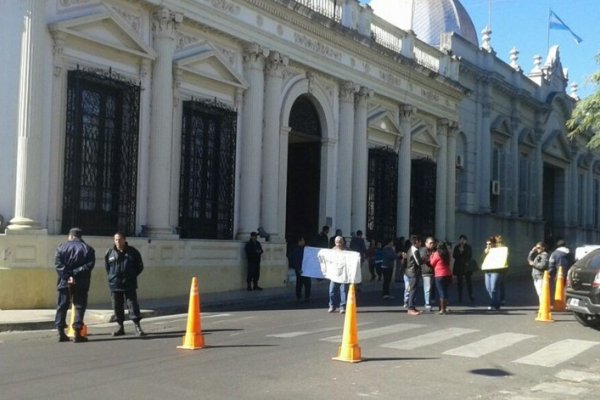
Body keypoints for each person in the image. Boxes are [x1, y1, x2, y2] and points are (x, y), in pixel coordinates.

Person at [54, 228, 95, 343]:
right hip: (81, 282)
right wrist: (75, 274)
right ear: (80, 237)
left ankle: (60, 331)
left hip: (64, 281)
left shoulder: (61, 247)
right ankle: (77, 332)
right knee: (79, 305)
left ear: (70, 236)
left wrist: (68, 276)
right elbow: (89, 266)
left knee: (62, 305)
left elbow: (58, 265)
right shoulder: (88, 249)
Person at [105, 232, 146, 337]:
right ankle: (120, 327)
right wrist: (112, 277)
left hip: (129, 284)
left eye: (119, 239)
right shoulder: (110, 253)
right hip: (115, 285)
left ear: (124, 240)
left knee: (132, 305)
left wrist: (131, 275)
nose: (117, 242)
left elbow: (139, 266)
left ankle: (137, 326)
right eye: (115, 240)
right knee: (117, 306)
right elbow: (108, 268)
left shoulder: (133, 252)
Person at [431, 241, 453, 314]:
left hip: (439, 275)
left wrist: (431, 256)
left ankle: (442, 309)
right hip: (448, 274)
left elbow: (432, 263)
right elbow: (449, 262)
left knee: (441, 292)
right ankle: (444, 308)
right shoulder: (447, 253)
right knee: (445, 291)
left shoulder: (437, 254)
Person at [328, 236, 348, 314]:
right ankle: (332, 306)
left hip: (343, 274)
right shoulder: (332, 251)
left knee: (343, 291)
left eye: (340, 242)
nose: (338, 244)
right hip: (334, 274)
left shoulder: (347, 251)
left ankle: (342, 307)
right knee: (331, 291)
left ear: (343, 242)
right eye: (337, 242)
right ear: (335, 243)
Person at [452, 234, 474, 303]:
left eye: (463, 240)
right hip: (459, 267)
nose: (462, 241)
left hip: (466, 266)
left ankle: (471, 295)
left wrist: (463, 251)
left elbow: (469, 255)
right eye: (461, 239)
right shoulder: (456, 247)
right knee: (459, 282)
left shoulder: (468, 247)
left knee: (468, 282)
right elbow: (454, 256)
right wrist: (460, 252)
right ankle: (460, 297)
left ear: (466, 241)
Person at [405, 235, 423, 315]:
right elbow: (419, 262)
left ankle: (412, 307)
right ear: (416, 242)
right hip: (413, 272)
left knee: (413, 290)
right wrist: (424, 259)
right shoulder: (415, 250)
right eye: (420, 242)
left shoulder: (410, 249)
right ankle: (410, 308)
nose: (420, 243)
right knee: (412, 290)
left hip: (410, 271)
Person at [290, 236, 311, 301]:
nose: (304, 242)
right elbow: (295, 260)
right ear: (299, 241)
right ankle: (299, 296)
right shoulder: (296, 249)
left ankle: (307, 296)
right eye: (302, 240)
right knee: (299, 283)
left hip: (306, 269)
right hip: (300, 269)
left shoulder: (305, 249)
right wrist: (298, 269)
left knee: (307, 283)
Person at [421, 237, 437, 311]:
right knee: (427, 288)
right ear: (426, 243)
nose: (432, 244)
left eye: (433, 243)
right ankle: (427, 303)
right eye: (430, 243)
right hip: (426, 272)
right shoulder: (424, 250)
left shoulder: (434, 250)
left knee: (430, 287)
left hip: (433, 271)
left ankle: (429, 300)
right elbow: (425, 259)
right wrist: (432, 257)